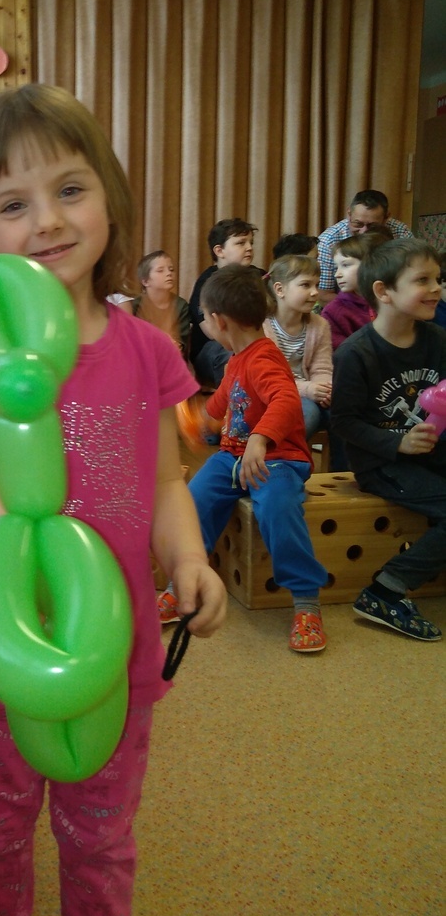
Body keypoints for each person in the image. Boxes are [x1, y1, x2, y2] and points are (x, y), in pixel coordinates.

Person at [0, 84, 227, 916]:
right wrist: (15, 541)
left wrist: (190, 559)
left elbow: (164, 480)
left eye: (70, 190)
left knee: (100, 830)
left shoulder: (147, 348)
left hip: (112, 648)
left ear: (110, 201)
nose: (47, 221)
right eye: (13, 203)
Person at [159, 265, 329, 653]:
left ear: (219, 321)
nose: (203, 323)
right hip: (233, 457)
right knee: (193, 501)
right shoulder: (237, 358)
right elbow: (220, 402)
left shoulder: (264, 357)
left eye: (203, 317)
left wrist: (259, 439)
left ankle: (306, 602)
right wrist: (201, 421)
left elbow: (286, 400)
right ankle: (182, 584)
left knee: (278, 509)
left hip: (278, 459)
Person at [330, 238, 445, 641]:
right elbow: (343, 422)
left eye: (438, 279)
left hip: (431, 450)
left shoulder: (437, 340)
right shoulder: (355, 353)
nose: (436, 288)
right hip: (381, 462)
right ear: (384, 291)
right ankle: (385, 592)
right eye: (422, 280)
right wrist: (398, 444)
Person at [262, 255, 333, 442]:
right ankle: (278, 457)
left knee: (344, 412)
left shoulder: (320, 325)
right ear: (280, 289)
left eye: (316, 285)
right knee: (307, 412)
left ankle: (342, 464)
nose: (315, 292)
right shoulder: (261, 326)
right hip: (272, 394)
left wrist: (324, 390)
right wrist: (308, 389)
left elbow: (322, 367)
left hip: (308, 391)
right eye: (305, 285)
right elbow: (268, 378)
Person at [189, 217, 262, 388]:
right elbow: (211, 331)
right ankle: (235, 399)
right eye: (241, 243)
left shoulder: (260, 277)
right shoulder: (207, 282)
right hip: (215, 347)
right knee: (230, 355)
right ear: (219, 251)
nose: (249, 248)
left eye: (251, 242)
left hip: (253, 342)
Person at [316, 190, 412, 305]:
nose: (363, 231)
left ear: (386, 218)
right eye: (358, 224)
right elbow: (324, 295)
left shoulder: (401, 233)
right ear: (349, 214)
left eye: (372, 225)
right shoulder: (328, 241)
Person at [320, 229, 392, 350]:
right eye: (336, 267)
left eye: (345, 265)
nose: (337, 274)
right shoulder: (333, 311)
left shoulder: (393, 300)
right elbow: (342, 354)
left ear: (371, 264)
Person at [132, 249, 192, 360]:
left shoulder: (181, 305)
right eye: (160, 270)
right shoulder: (135, 305)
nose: (169, 273)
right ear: (145, 281)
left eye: (171, 269)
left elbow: (182, 344)